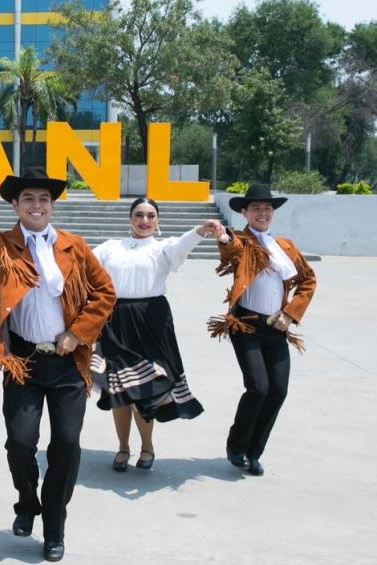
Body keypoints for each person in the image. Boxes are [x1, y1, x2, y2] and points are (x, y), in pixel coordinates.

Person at [0, 167, 116, 562]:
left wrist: (78, 333)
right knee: (21, 443)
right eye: (29, 199)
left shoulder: (75, 245)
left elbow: (105, 292)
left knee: (67, 446)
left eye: (44, 199)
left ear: (52, 205)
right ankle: (26, 501)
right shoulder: (3, 244)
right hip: (23, 361)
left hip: (68, 363)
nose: (37, 206)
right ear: (15, 205)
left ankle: (54, 526)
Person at [91, 197, 223, 472]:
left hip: (152, 321)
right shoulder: (111, 247)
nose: (145, 220)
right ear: (130, 218)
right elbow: (83, 266)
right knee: (119, 388)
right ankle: (123, 447)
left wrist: (201, 229)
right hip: (115, 321)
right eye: (139, 214)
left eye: (151, 216)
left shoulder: (163, 248)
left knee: (146, 390)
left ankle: (147, 447)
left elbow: (182, 244)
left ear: (157, 221)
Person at [209, 184, 316, 477]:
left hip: (276, 327)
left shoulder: (285, 247)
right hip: (245, 325)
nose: (262, 213)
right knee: (258, 387)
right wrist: (223, 238)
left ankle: (254, 452)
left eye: (267, 208)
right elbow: (231, 249)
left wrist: (291, 314)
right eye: (256, 208)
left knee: (278, 391)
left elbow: (308, 280)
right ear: (244, 212)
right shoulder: (242, 240)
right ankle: (236, 447)